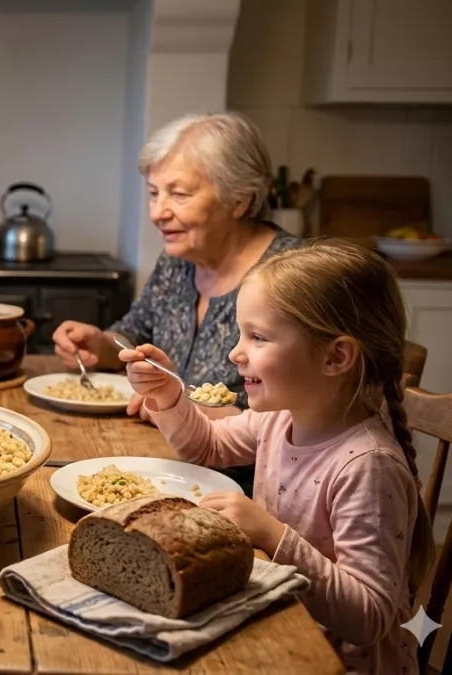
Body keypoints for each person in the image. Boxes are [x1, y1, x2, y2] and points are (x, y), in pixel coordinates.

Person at [119, 242, 434, 675]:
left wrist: (271, 533)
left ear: (335, 356)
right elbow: (206, 446)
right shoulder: (279, 418)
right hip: (279, 619)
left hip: (335, 661)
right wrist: (169, 396)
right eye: (240, 334)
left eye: (258, 337)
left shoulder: (367, 467)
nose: (235, 353)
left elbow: (368, 618)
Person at [53, 111, 302, 419]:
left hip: (241, 453)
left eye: (179, 195)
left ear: (240, 200)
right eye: (153, 193)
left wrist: (183, 410)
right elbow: (136, 334)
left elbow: (306, 412)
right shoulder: (177, 261)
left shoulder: (294, 274)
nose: (158, 213)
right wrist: (101, 346)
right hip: (160, 443)